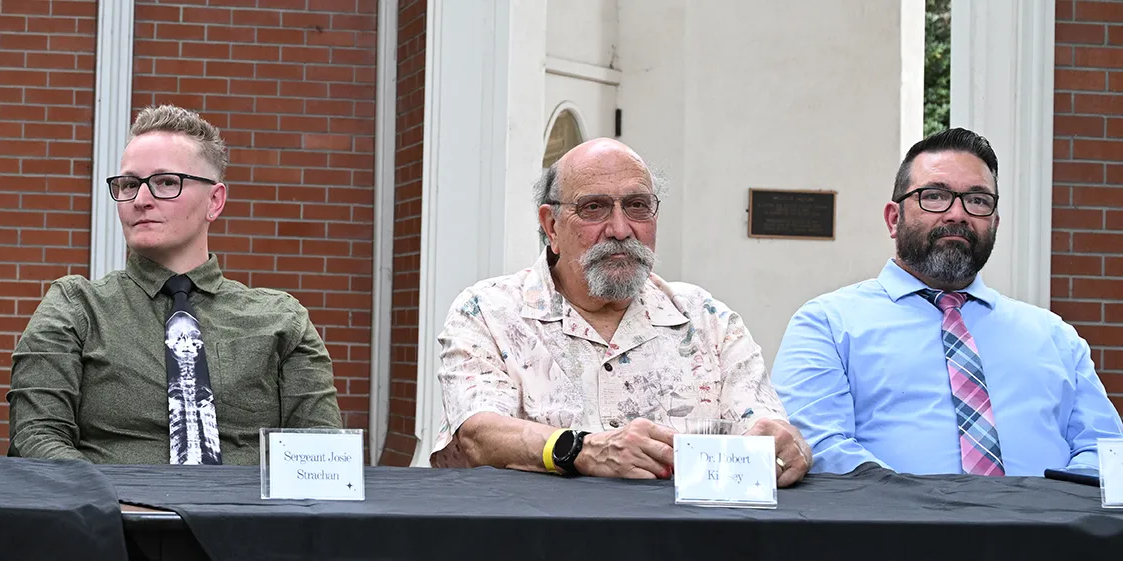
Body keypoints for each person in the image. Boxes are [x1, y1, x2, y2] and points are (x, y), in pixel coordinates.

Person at [428, 138, 810, 486]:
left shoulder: (707, 320)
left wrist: (785, 442)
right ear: (551, 226)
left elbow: (763, 425)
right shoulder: (489, 312)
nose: (620, 229)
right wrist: (582, 450)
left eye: (637, 206)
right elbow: (479, 434)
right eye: (593, 208)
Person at [773, 128, 1123, 476]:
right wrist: (932, 512)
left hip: (1048, 527)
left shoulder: (1055, 336)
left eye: (978, 200)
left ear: (995, 223)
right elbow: (818, 446)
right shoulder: (827, 324)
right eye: (935, 196)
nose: (957, 214)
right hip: (894, 528)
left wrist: (1047, 512)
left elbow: (1104, 449)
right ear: (894, 219)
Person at [9, 105, 341, 465]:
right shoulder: (77, 307)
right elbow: (36, 437)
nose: (141, 200)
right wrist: (117, 506)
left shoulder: (280, 319)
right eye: (130, 184)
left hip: (245, 517)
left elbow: (321, 457)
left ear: (214, 201)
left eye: (167, 182)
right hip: (113, 514)